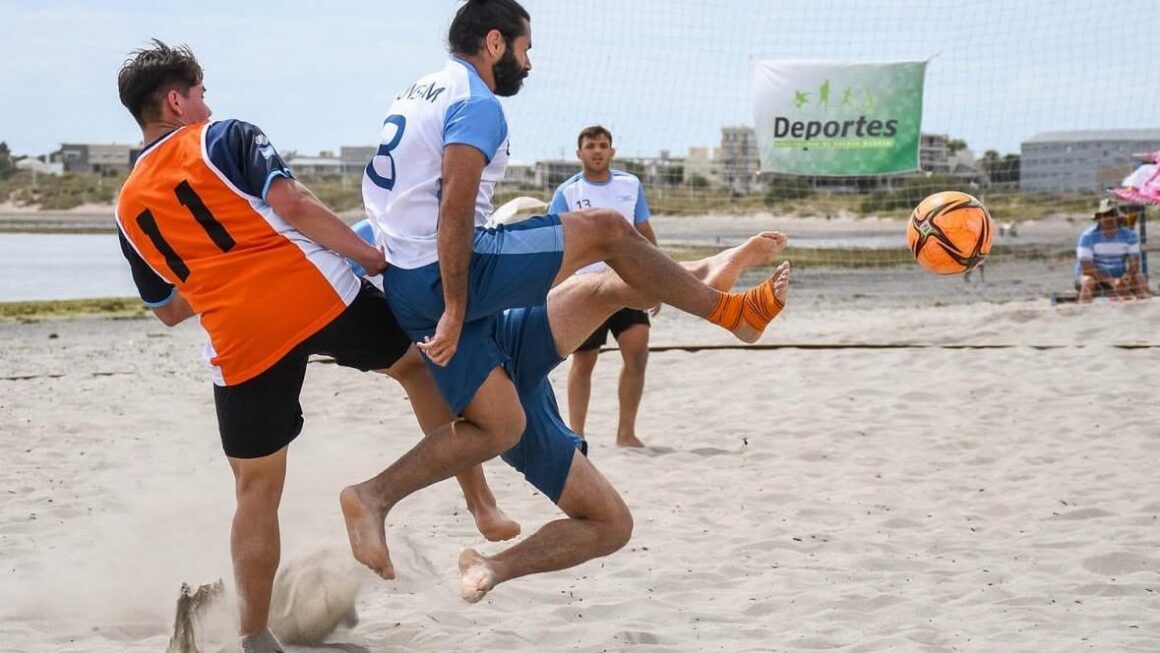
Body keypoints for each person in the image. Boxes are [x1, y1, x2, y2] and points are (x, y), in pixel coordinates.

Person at [350, 0, 789, 580]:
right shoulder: (475, 102)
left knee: (506, 423)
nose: (529, 65)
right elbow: (454, 210)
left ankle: (383, 503)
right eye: (525, 49)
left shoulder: (420, 90)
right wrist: (456, 307)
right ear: (495, 43)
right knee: (608, 231)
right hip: (451, 269)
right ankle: (731, 312)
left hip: (416, 282)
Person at [114, 40, 516, 653]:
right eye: (198, 94)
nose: (206, 102)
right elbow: (293, 204)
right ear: (175, 99)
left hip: (239, 342)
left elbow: (169, 309)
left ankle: (253, 638)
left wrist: (225, 281)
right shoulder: (224, 136)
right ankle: (480, 502)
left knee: (255, 491)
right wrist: (366, 255)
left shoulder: (126, 206)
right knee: (418, 367)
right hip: (317, 296)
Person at [343, 222, 790, 601]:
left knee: (601, 287)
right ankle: (490, 563)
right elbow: (434, 405)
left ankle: (705, 276)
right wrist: (479, 503)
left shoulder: (412, 229)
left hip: (510, 332)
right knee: (611, 522)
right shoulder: (364, 292)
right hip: (491, 394)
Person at [549, 126, 657, 448]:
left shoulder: (630, 185)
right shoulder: (567, 192)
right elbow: (554, 242)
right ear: (579, 153)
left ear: (612, 151)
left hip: (627, 283)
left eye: (603, 145)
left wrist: (659, 282)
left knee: (637, 354)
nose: (597, 151)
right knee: (584, 361)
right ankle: (577, 434)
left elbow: (645, 234)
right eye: (591, 146)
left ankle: (626, 433)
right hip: (585, 287)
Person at [1075, 198, 1148, 302]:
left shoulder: (1130, 235)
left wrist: (1127, 276)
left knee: (1139, 279)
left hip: (1119, 275)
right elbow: (1087, 268)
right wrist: (1111, 281)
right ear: (1099, 218)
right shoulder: (1088, 236)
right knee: (1088, 282)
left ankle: (1145, 309)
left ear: (1118, 218)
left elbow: (1134, 263)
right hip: (1093, 276)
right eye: (1105, 215)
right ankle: (1084, 310)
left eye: (1112, 215)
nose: (1109, 219)